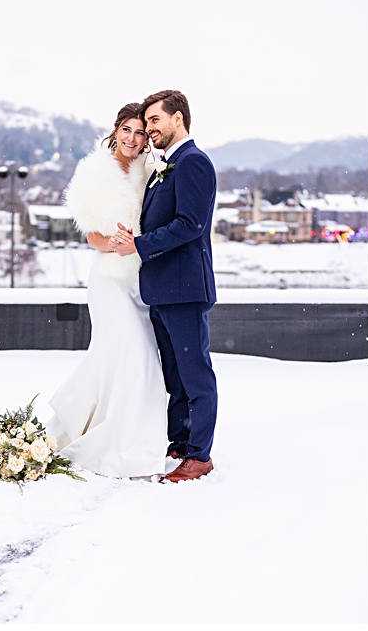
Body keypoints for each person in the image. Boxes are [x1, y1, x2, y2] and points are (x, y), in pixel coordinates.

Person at [45, 104, 171, 479]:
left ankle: (98, 425)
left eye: (140, 132)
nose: (133, 139)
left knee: (121, 358)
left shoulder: (149, 169)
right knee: (135, 355)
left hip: (141, 278)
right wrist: (119, 244)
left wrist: (141, 245)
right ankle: (126, 443)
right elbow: (91, 235)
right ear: (115, 130)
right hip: (110, 278)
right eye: (127, 130)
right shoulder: (94, 172)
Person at [111, 89, 219, 484]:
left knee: (195, 376)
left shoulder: (193, 163)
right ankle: (180, 445)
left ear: (178, 119)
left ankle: (200, 456)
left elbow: (190, 225)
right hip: (163, 289)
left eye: (155, 120)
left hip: (185, 289)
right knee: (174, 378)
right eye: (147, 122)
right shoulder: (165, 166)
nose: (150, 129)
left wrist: (137, 245)